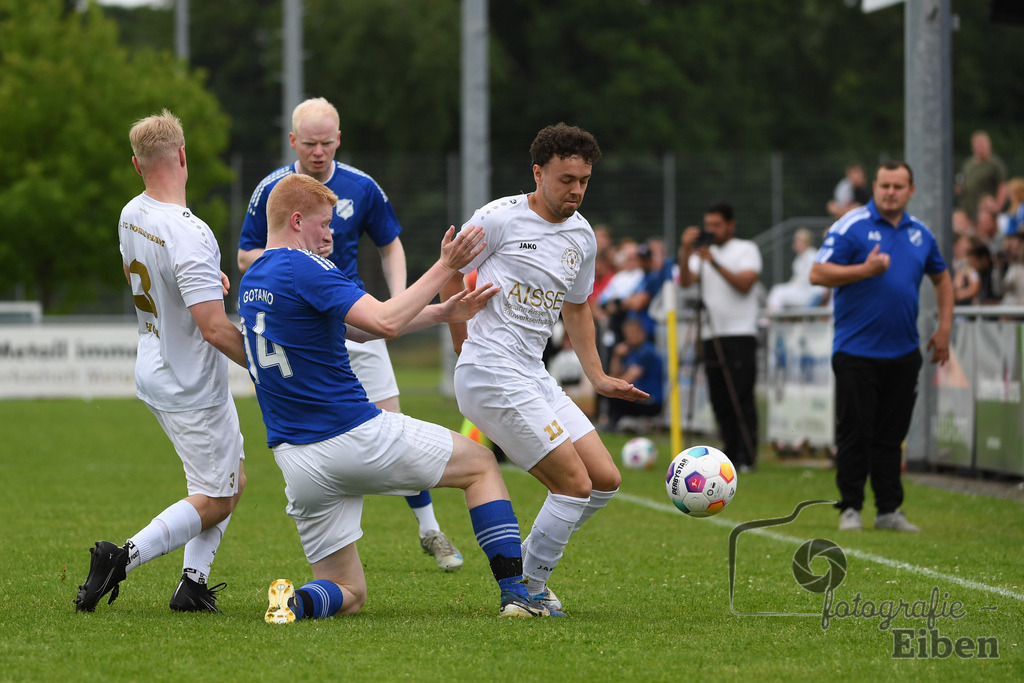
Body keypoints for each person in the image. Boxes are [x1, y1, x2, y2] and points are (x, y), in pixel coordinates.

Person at [239, 173, 553, 620]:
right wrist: (445, 266)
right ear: (295, 220)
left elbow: (359, 330)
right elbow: (384, 322)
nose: (331, 234)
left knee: (348, 592)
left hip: (296, 459)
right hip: (352, 435)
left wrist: (443, 313)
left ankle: (293, 602)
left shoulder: (256, 279)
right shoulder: (304, 266)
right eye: (325, 224)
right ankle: (517, 594)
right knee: (481, 465)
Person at [237, 97, 461, 571]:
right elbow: (245, 256)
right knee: (341, 433)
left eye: (326, 142)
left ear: (338, 139)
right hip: (302, 320)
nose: (318, 151)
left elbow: (389, 243)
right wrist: (294, 274)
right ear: (293, 141)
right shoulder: (274, 191)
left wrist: (399, 298)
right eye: (309, 143)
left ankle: (429, 528)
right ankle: (337, 520)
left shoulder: (361, 186)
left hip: (356, 317)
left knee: (394, 423)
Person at [441, 123, 649, 614]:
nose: (576, 189)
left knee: (603, 479)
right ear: (538, 173)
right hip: (490, 370)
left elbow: (577, 308)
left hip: (532, 374)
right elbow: (449, 270)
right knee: (573, 485)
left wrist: (597, 377)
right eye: (565, 179)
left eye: (584, 180)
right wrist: (459, 339)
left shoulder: (581, 236)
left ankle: (530, 577)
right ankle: (526, 590)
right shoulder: (498, 219)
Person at [75, 110, 247, 614]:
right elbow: (214, 328)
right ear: (184, 157)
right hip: (191, 382)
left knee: (231, 475)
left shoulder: (131, 213)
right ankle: (121, 557)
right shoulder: (191, 232)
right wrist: (268, 370)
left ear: (136, 165)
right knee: (218, 497)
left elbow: (159, 277)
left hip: (155, 367)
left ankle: (193, 585)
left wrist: (199, 287)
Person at [810, 161, 953, 533]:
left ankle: (889, 510)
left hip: (903, 350)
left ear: (911, 191)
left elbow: (942, 278)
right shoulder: (851, 226)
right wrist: (863, 270)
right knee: (855, 431)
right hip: (856, 349)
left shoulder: (921, 233)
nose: (891, 192)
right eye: (885, 185)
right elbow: (817, 273)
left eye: (899, 186)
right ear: (874, 187)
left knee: (892, 435)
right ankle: (850, 507)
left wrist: (945, 327)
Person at [678, 202, 763, 472]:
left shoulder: (746, 249)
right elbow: (685, 281)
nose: (712, 230)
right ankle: (728, 452)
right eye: (708, 225)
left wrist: (713, 262)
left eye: (717, 225)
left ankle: (747, 455)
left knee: (741, 396)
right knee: (719, 398)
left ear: (731, 225)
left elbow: (745, 283)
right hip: (711, 333)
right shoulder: (701, 253)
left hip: (740, 332)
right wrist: (685, 251)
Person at [607, 314, 665, 431]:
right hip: (637, 396)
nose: (630, 337)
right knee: (608, 390)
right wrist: (617, 356)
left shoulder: (647, 351)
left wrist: (610, 384)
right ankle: (615, 423)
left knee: (611, 392)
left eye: (633, 333)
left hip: (650, 400)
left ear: (642, 333)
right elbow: (613, 377)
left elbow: (625, 380)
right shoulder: (631, 352)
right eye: (628, 334)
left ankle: (614, 424)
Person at [766, 228, 828, 310]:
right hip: (803, 290)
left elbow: (808, 279)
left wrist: (793, 286)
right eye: (796, 241)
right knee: (778, 290)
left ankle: (770, 319)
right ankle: (772, 317)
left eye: (800, 242)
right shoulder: (800, 257)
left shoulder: (811, 256)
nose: (796, 244)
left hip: (810, 292)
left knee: (778, 291)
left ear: (806, 242)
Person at [956, 130, 1008, 221]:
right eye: (977, 145)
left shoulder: (995, 164)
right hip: (968, 210)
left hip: (985, 211)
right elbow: (963, 184)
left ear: (989, 145)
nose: (980, 148)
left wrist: (997, 208)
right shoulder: (968, 164)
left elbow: (1002, 187)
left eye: (982, 145)